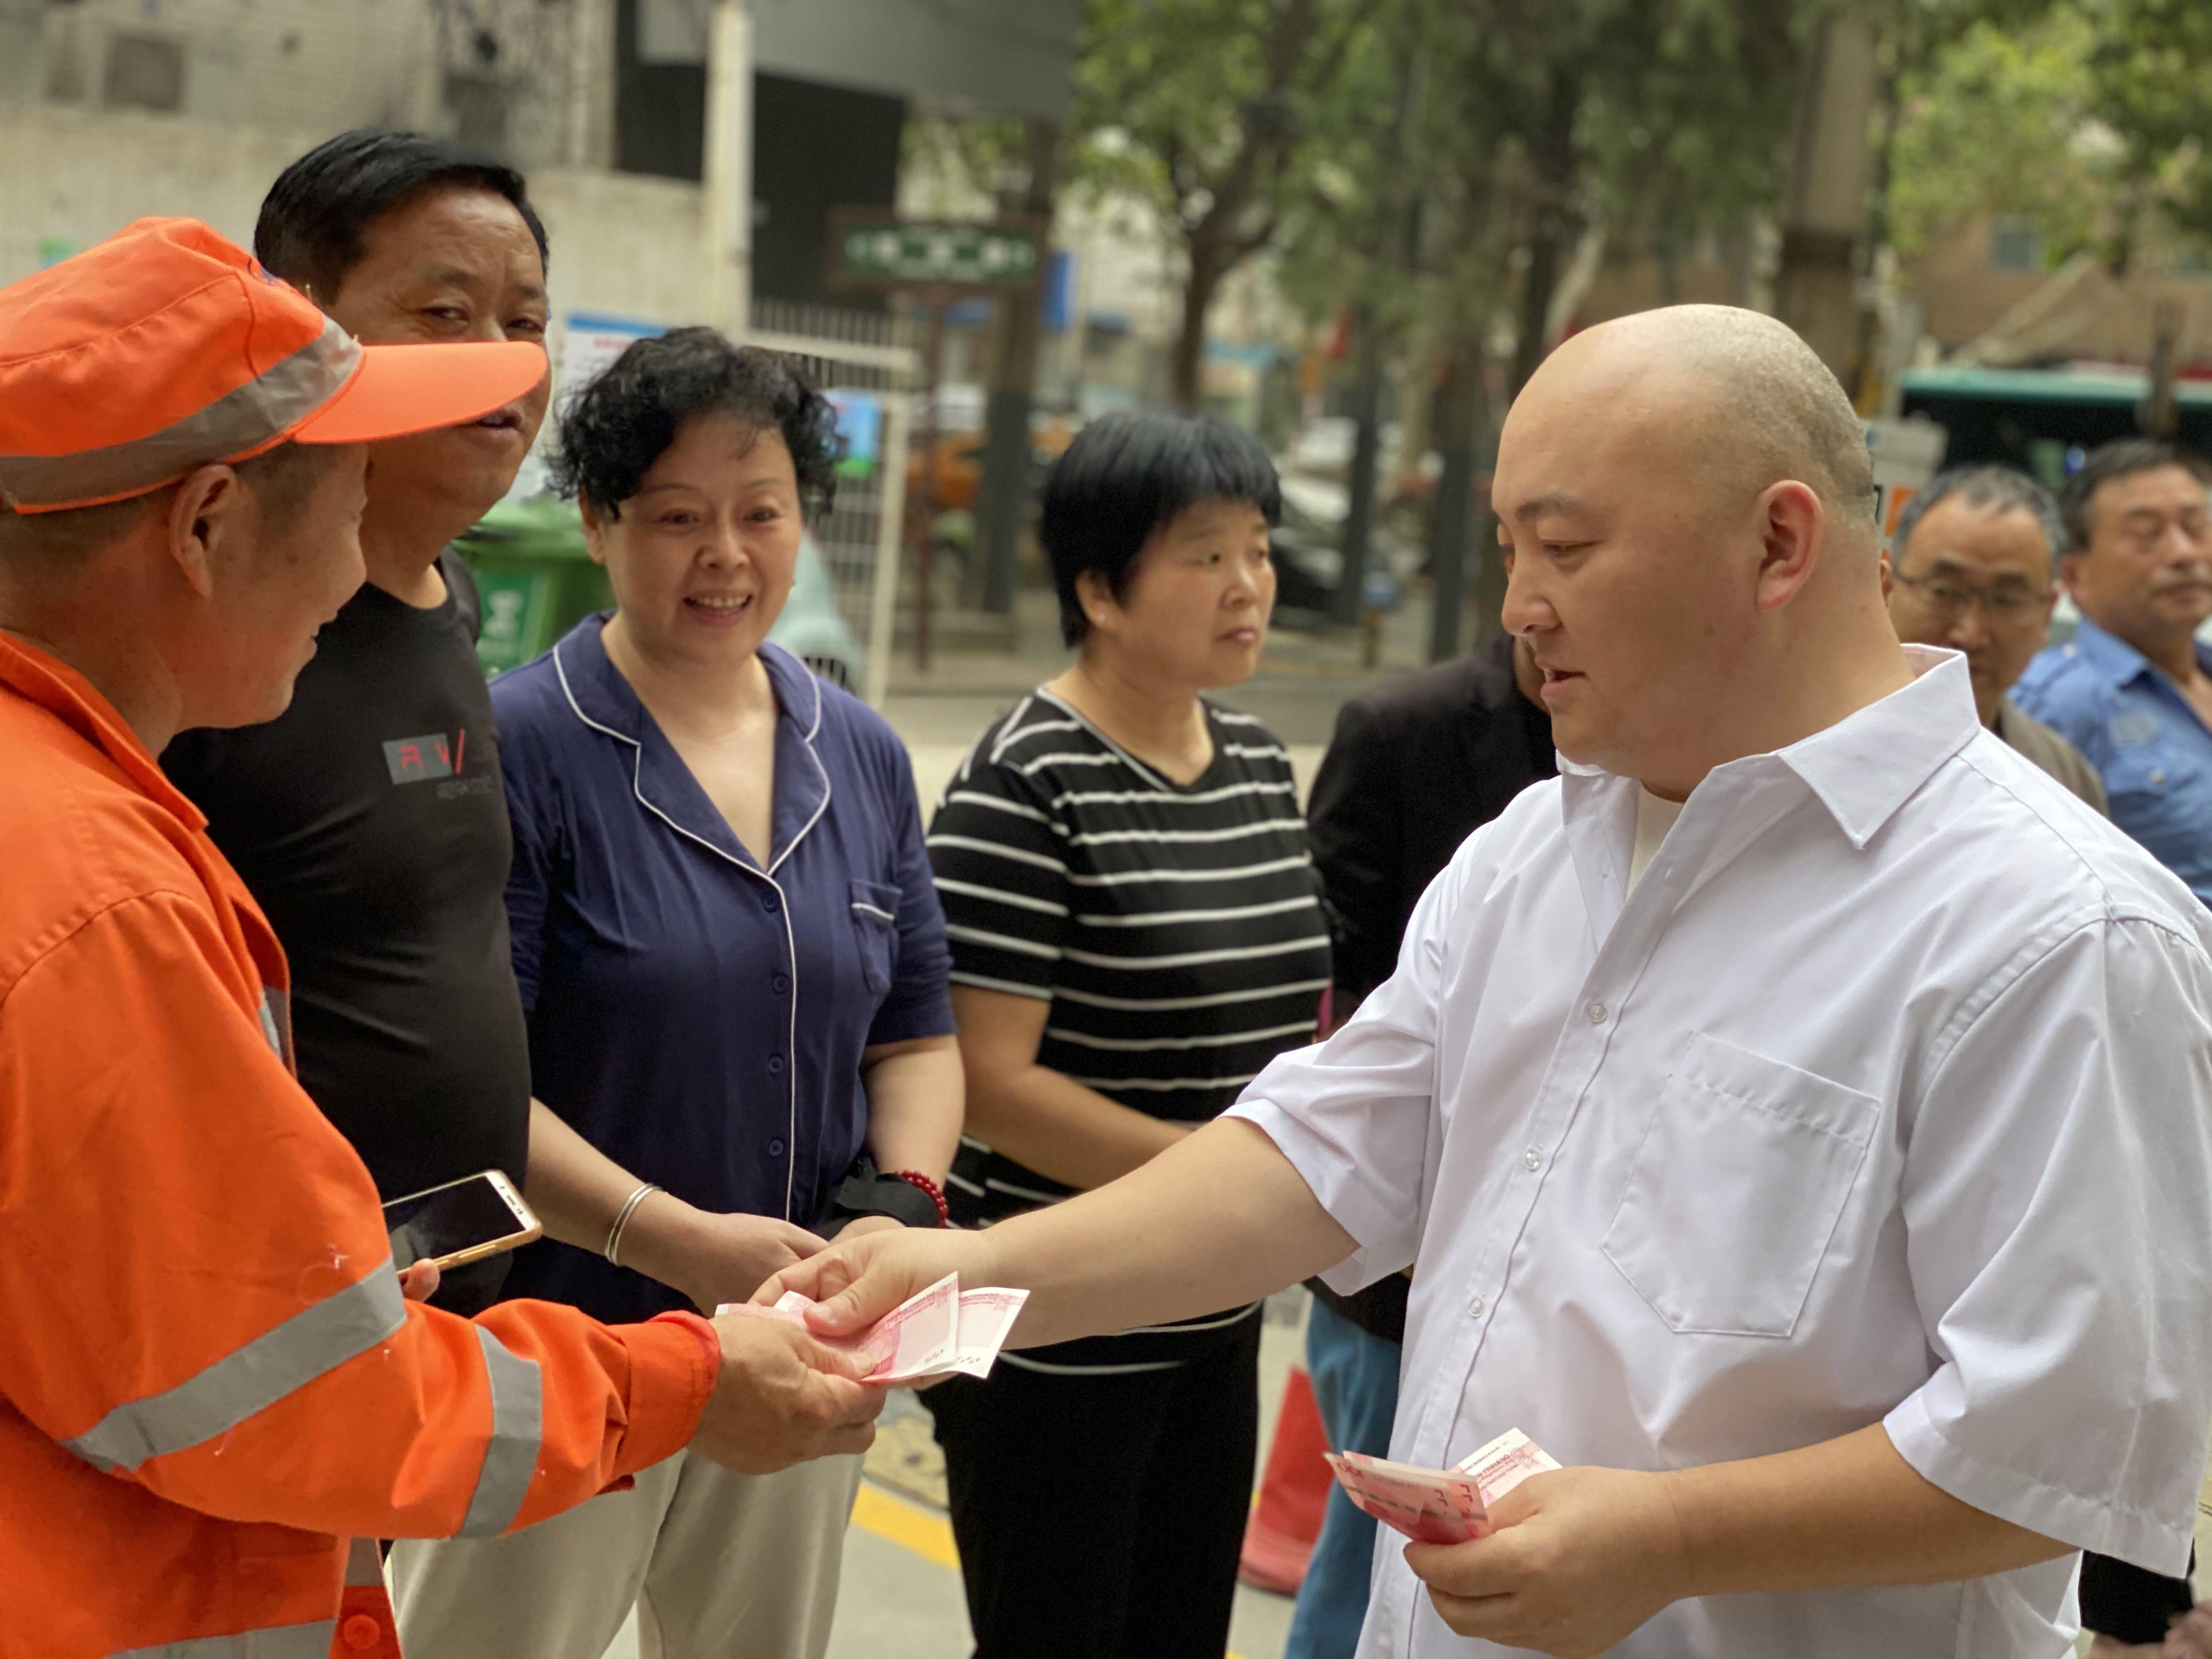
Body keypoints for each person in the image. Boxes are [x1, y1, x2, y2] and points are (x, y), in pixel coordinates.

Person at [763, 305, 2212, 1659]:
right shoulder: (1541, 848)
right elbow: (1316, 1157)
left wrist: (1672, 1535)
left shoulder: (2056, 934)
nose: (1517, 607)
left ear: (1779, 545)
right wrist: (972, 1271)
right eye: (1508, 548)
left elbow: (2062, 1442)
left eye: (1562, 548)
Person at [0, 218, 884, 1659]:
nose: (363, 576)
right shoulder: (95, 898)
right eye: (352, 509)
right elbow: (290, 1403)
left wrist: (320, 1270)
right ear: (208, 521)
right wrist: (681, 1381)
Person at [388, 328, 962, 1659]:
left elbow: (918, 1032)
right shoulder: (518, 742)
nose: (729, 556)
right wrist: (673, 1239)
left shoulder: (857, 750)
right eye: (679, 518)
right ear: (597, 522)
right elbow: (476, 1079)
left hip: (801, 1342)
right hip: (562, 1350)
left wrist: (905, 1204)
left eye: (763, 514)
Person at [921, 409, 1332, 1659]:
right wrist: (1220, 1188)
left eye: (1256, 549)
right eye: (1205, 556)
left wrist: (1233, 1222)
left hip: (1209, 1311)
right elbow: (987, 1085)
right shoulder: (1025, 783)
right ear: (1100, 588)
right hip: (1057, 1328)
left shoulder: (1258, 763)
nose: (1247, 584)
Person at [1285, 628, 1555, 1659]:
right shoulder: (1406, 731)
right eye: (1518, 545)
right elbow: (1339, 1013)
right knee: (1369, 1553)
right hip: (1391, 1262)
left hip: (1527, 1287)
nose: (1536, 599)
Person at [2013, 438, 2212, 902]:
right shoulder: (2055, 704)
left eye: (2197, 527)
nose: (2183, 553)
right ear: (2075, 576)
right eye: (2147, 534)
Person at [1882, 465, 2104, 810]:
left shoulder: (2065, 777)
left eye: (2006, 601)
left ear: (2047, 614)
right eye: (1944, 592)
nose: (1970, 634)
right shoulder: (1807, 739)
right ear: (1887, 589)